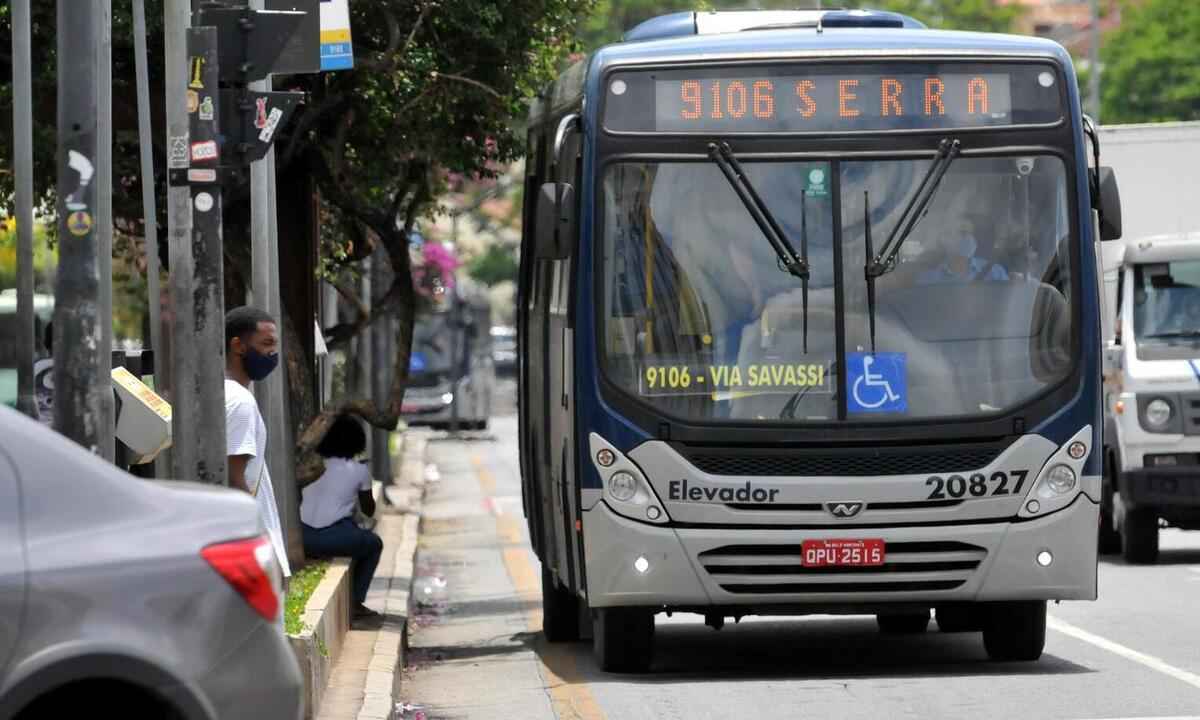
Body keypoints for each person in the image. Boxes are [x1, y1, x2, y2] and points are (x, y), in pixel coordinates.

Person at [224, 306, 292, 618]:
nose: (272, 354)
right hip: (252, 551)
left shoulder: (223, 394)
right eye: (266, 345)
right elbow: (237, 481)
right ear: (238, 346)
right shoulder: (240, 402)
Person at [300, 414, 383, 623]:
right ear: (357, 441)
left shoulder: (309, 466)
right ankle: (356, 602)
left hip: (303, 537)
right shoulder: (359, 470)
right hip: (335, 538)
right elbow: (369, 510)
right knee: (373, 543)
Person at [916, 222, 1009, 285]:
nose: (968, 237)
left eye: (970, 233)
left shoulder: (995, 272)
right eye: (962, 233)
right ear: (944, 239)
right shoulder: (929, 279)